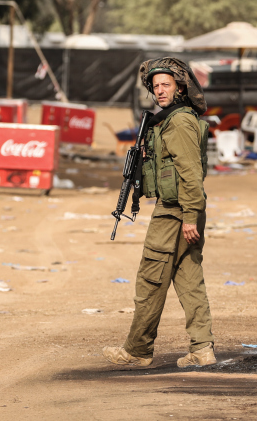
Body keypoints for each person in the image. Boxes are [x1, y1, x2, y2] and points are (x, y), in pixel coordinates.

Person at [103, 58, 215, 368]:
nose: (160, 90)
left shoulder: (178, 121)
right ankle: (202, 349)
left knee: (151, 279)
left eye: (166, 84)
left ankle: (138, 349)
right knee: (189, 279)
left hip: (176, 212)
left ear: (180, 87)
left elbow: (190, 172)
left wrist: (190, 215)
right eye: (156, 86)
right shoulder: (171, 119)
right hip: (182, 209)